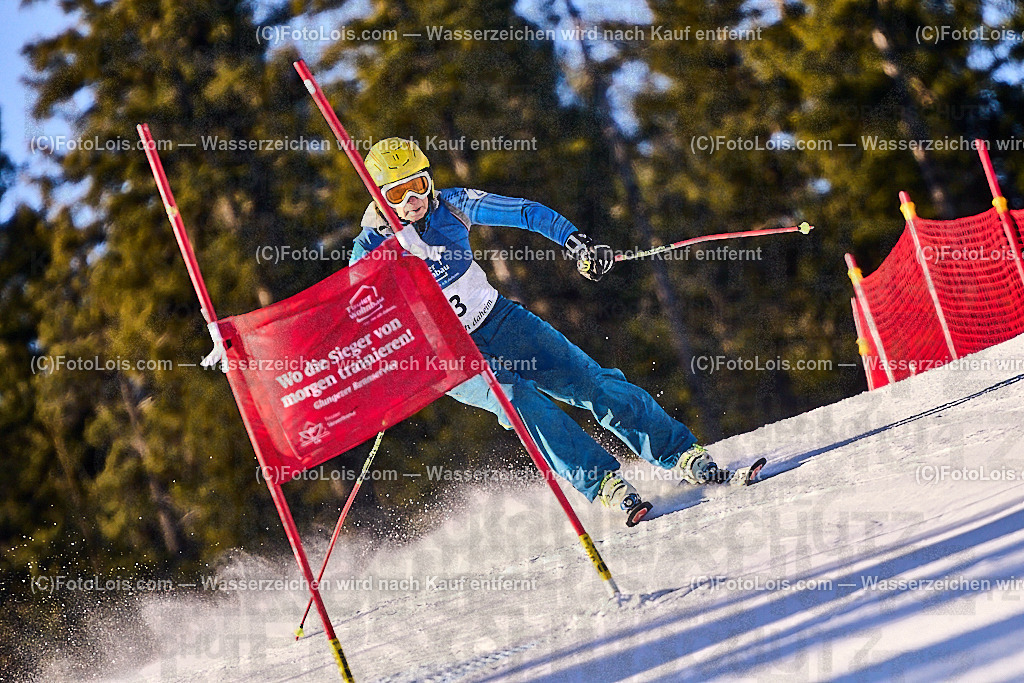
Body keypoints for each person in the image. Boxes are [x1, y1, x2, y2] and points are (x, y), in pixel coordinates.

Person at [350, 138, 723, 526]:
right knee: (516, 398)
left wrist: (576, 243)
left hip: (498, 319)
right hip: (451, 356)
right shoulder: (368, 248)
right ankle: (603, 482)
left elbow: (524, 211)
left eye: (419, 185)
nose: (413, 199)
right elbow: (363, 314)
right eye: (398, 192)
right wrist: (391, 257)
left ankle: (679, 452)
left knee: (588, 382)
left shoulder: (453, 204)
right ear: (380, 198)